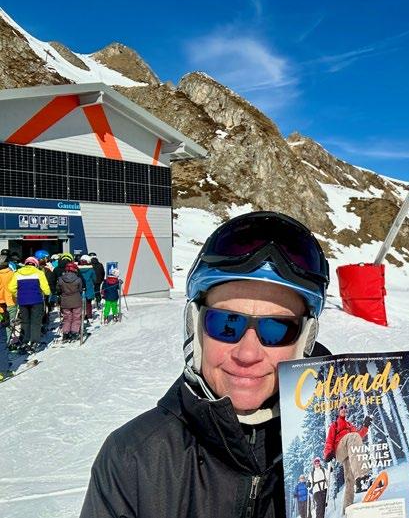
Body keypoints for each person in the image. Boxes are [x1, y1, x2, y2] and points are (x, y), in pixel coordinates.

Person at [80, 211, 330, 518]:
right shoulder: (132, 459)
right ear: (195, 328)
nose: (247, 354)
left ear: (304, 341)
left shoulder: (333, 451)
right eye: (227, 324)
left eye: (277, 329)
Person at [323, 403, 372, 513]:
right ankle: (362, 477)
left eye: (345, 407)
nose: (344, 409)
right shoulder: (335, 425)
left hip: (350, 451)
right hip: (339, 450)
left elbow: (358, 437)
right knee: (353, 436)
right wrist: (327, 453)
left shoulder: (350, 425)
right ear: (338, 411)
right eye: (341, 407)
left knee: (349, 478)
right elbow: (329, 440)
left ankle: (346, 510)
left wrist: (365, 426)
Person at [8, 256, 51, 351]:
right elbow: (46, 289)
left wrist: (18, 294)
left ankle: (24, 340)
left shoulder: (17, 273)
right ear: (35, 264)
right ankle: (34, 341)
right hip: (36, 300)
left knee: (25, 321)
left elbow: (11, 288)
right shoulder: (39, 273)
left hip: (22, 301)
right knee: (36, 321)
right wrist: (46, 293)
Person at [57, 262, 84, 342]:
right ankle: (74, 332)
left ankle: (66, 333)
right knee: (76, 317)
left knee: (67, 318)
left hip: (65, 301)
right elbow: (80, 290)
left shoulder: (60, 279)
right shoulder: (78, 279)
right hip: (76, 300)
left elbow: (58, 290)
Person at [78, 255, 96, 323]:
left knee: (79, 304)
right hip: (89, 288)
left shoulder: (77, 269)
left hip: (79, 289)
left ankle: (80, 316)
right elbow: (94, 279)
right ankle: (89, 316)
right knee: (88, 304)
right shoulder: (91, 270)